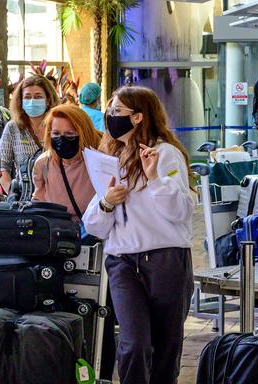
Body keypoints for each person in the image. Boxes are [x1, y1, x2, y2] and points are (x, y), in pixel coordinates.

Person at [83, 86, 195, 383]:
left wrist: (154, 177)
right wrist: (107, 201)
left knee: (165, 347)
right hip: (122, 262)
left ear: (138, 118)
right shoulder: (110, 157)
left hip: (166, 260)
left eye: (117, 111)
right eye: (110, 110)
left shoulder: (166, 154)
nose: (109, 117)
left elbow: (181, 210)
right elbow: (93, 225)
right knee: (134, 345)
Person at [31, 104, 101, 219]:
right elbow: (39, 200)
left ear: (83, 133)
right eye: (56, 134)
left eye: (70, 134)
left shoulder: (97, 160)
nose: (62, 140)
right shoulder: (43, 163)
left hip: (92, 231)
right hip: (59, 230)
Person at [0, 75, 59, 199]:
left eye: (38, 97)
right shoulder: (13, 128)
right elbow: (2, 167)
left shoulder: (58, 126)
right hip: (24, 199)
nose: (32, 101)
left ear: (48, 100)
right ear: (20, 101)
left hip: (56, 198)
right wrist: (12, 192)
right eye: (27, 97)